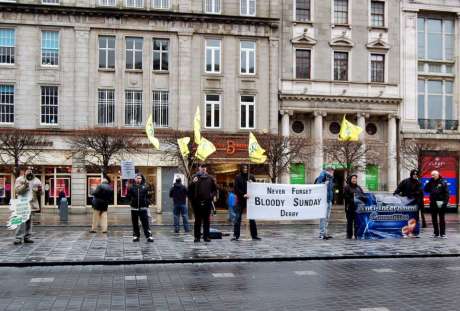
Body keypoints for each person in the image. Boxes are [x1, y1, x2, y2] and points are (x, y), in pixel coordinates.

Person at [188, 164, 217, 243]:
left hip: (207, 202)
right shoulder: (195, 177)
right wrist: (193, 183)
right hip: (197, 203)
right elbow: (189, 190)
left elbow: (214, 189)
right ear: (199, 168)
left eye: (205, 168)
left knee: (206, 221)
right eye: (202, 168)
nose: (203, 169)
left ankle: (206, 236)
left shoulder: (210, 178)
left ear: (206, 169)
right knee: (197, 221)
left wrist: (212, 196)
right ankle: (197, 237)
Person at [13, 166, 42, 245]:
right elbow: (17, 191)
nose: (30, 172)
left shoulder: (36, 180)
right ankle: (18, 238)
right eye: (28, 170)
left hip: (31, 203)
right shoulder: (19, 179)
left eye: (31, 170)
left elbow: (40, 194)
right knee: (21, 221)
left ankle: (27, 237)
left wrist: (40, 190)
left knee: (29, 221)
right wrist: (25, 185)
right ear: (24, 171)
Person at [232, 164, 261, 241]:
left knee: (252, 218)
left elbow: (256, 187)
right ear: (241, 169)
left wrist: (252, 183)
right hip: (241, 200)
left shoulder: (251, 176)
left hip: (249, 200)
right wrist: (243, 194)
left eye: (246, 168)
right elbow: (236, 188)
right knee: (237, 217)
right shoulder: (238, 177)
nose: (245, 169)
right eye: (244, 168)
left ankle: (254, 235)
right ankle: (236, 235)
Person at [127, 173, 154, 242]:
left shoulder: (145, 186)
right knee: (135, 223)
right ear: (135, 179)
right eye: (137, 178)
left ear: (142, 179)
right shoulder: (131, 187)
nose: (138, 179)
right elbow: (128, 196)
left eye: (139, 178)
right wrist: (131, 202)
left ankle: (149, 236)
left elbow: (149, 196)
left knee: (145, 223)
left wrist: (147, 203)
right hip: (134, 208)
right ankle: (136, 236)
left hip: (143, 208)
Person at [424, 170, 450, 239]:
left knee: (441, 218)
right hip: (433, 202)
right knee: (434, 218)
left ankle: (443, 234)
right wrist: (428, 182)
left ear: (438, 175)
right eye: (431, 175)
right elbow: (426, 189)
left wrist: (445, 202)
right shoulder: (431, 181)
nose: (432, 176)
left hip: (441, 202)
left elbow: (447, 193)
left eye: (434, 175)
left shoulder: (443, 182)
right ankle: (436, 233)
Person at [315, 166, 335, 240]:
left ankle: (324, 233)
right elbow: (317, 185)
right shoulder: (323, 175)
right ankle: (321, 233)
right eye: (332, 171)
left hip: (329, 200)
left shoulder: (330, 178)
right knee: (323, 218)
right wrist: (324, 183)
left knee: (327, 217)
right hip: (324, 200)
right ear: (329, 171)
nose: (333, 173)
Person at [343, 174, 364, 239]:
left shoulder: (359, 187)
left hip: (358, 208)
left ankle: (356, 235)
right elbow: (345, 196)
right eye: (353, 178)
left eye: (355, 178)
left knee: (357, 222)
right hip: (350, 207)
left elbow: (362, 195)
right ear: (350, 179)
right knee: (350, 222)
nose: (354, 179)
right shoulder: (347, 187)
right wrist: (353, 200)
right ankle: (349, 235)